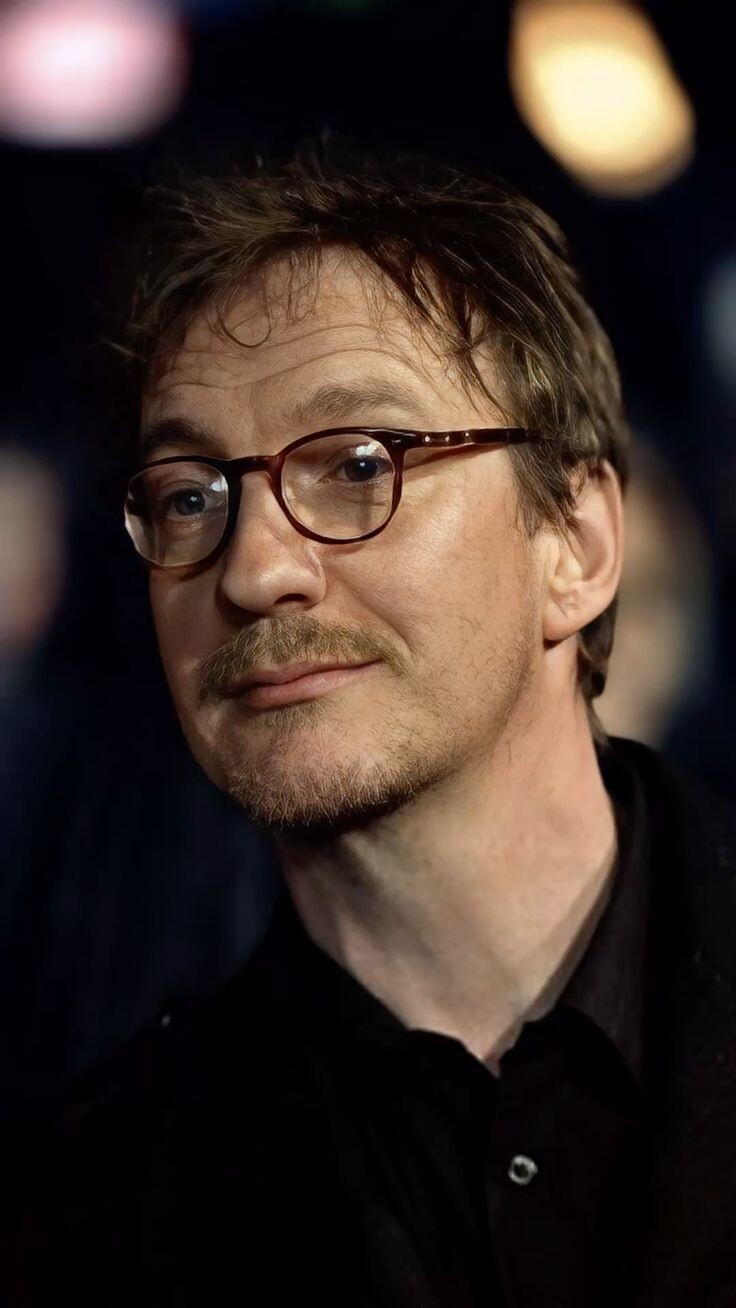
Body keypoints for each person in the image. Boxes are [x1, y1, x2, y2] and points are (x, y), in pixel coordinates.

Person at [2, 151, 735, 1308]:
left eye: (357, 465)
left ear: (578, 545)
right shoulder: (83, 1218)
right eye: (190, 495)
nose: (254, 569)